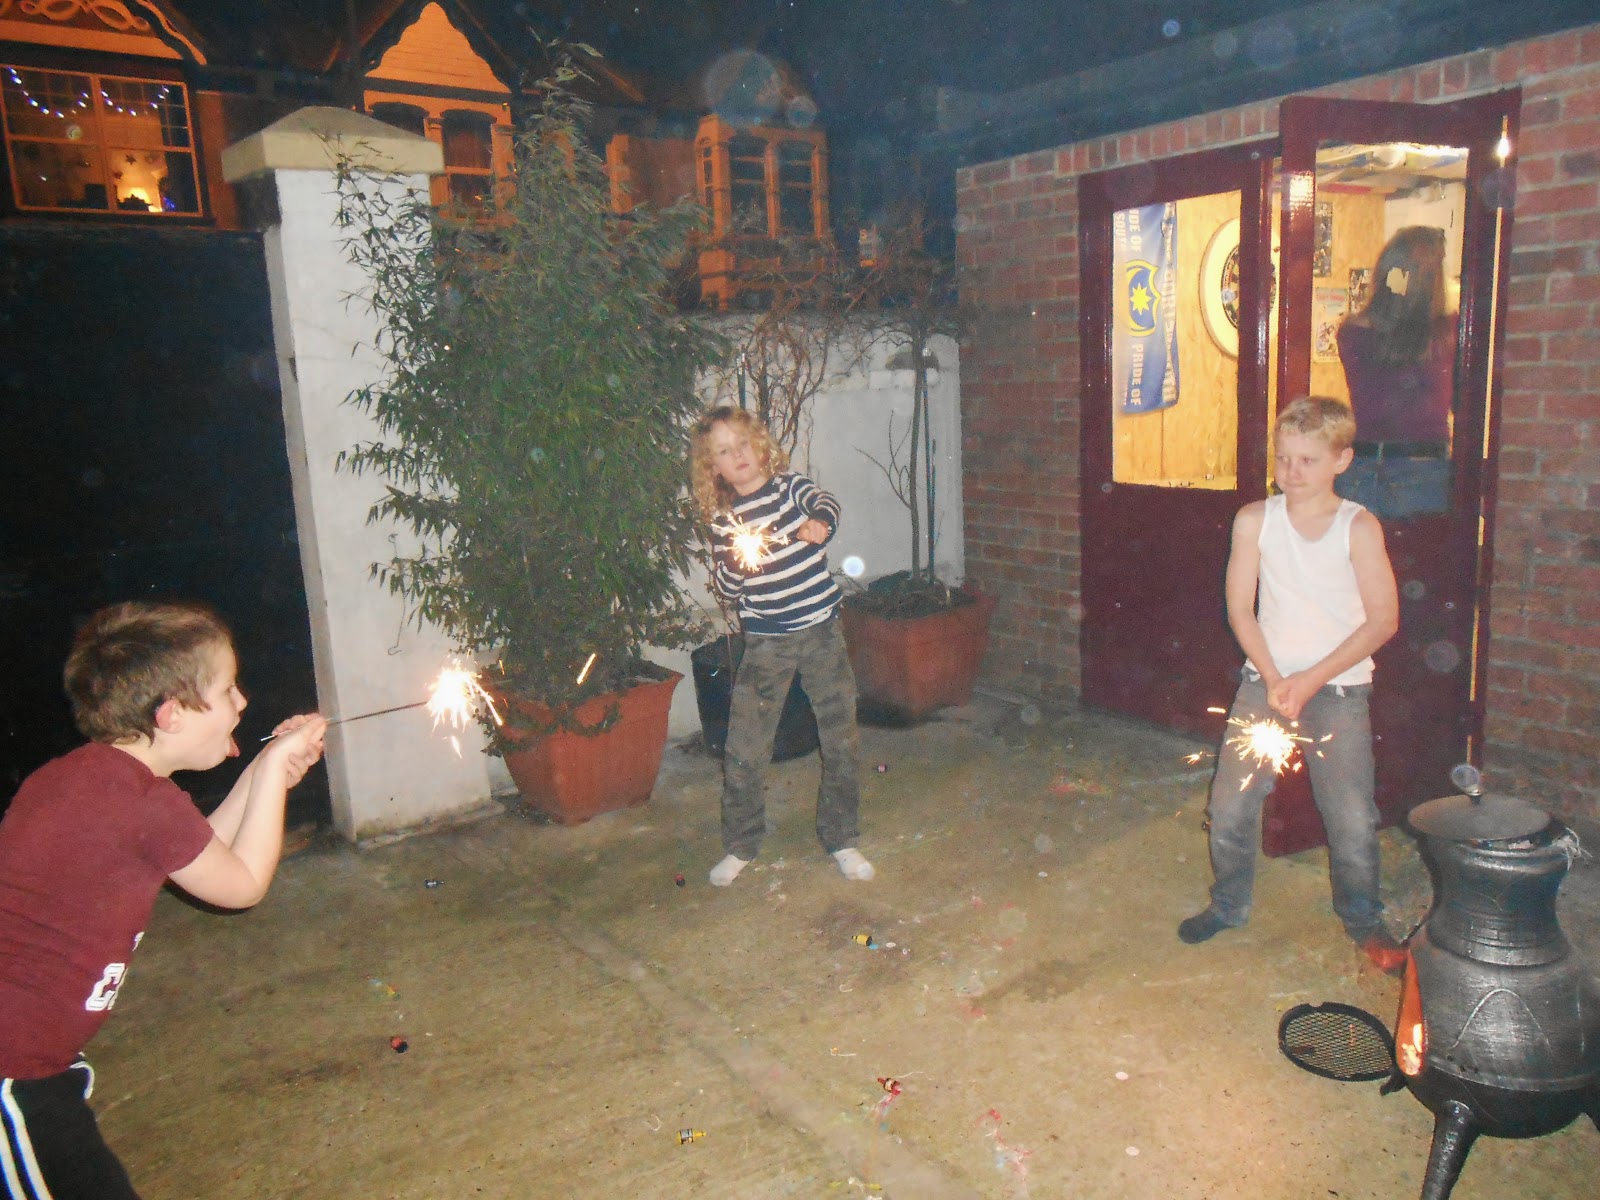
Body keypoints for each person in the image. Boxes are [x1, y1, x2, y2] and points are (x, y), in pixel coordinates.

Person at [0, 601, 327, 1199]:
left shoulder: (96, 780)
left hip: (35, 1062)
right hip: (12, 1072)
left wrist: (265, 774)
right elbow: (242, 884)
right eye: (228, 690)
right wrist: (275, 764)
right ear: (173, 714)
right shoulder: (141, 804)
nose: (243, 703)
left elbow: (202, 855)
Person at [1177, 396, 1406, 974]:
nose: (1291, 472)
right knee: (1229, 807)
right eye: (1283, 459)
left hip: (1340, 689)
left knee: (1352, 818)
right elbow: (1241, 611)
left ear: (1341, 460)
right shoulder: (1255, 520)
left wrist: (1310, 679)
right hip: (1266, 682)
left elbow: (1383, 621)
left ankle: (1364, 920)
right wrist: (1278, 678)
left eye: (1307, 459)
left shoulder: (1358, 526)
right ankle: (1229, 905)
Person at [689, 405, 873, 887]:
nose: (738, 455)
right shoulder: (725, 521)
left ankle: (842, 838)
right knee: (744, 748)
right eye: (724, 452)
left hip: (822, 634)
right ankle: (741, 846)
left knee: (842, 740)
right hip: (767, 643)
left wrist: (819, 524)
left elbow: (827, 504)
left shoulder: (792, 487)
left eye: (743, 443)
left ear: (760, 444)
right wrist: (738, 564)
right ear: (716, 468)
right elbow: (729, 588)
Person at [1335, 224, 1457, 520]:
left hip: (1361, 466)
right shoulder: (1447, 332)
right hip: (1423, 467)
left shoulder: (1352, 333)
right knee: (1417, 564)